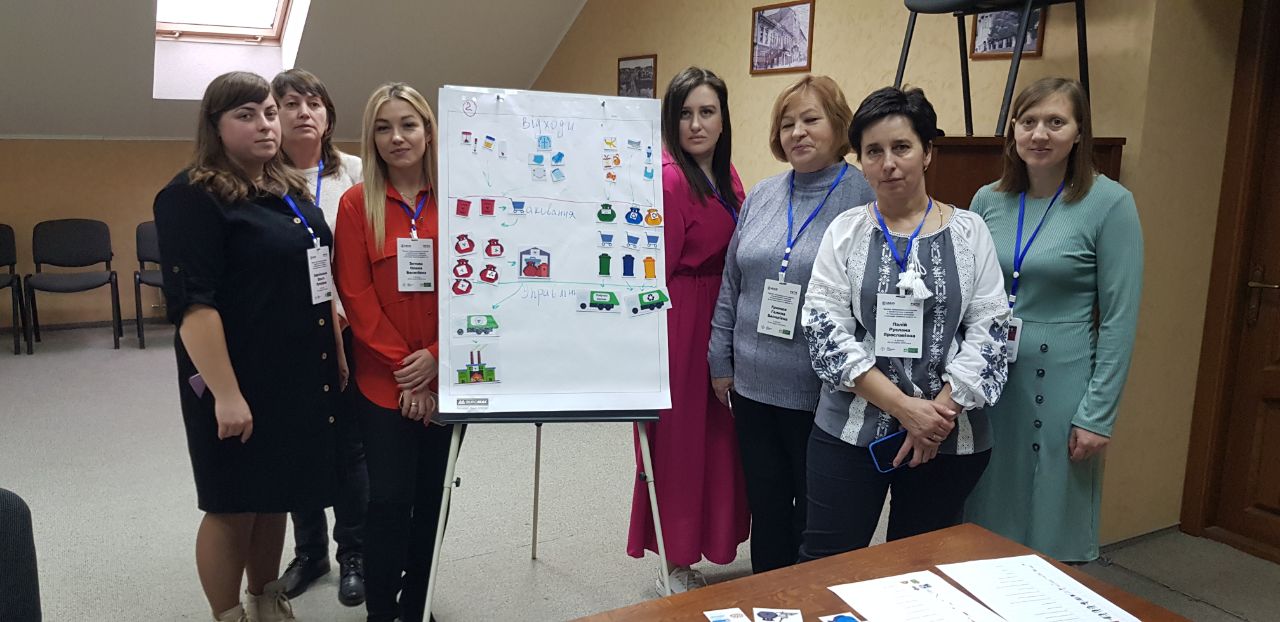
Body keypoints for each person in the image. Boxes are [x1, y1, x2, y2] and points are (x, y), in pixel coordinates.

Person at [153, 70, 344, 622]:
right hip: (234, 375)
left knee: (275, 493)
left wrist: (335, 346)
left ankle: (265, 597)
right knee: (232, 503)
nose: (265, 125)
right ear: (215, 126)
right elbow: (194, 306)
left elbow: (318, 278)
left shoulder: (287, 190)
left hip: (296, 368)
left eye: (268, 113)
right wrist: (227, 395)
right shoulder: (191, 196)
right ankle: (228, 613)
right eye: (246, 115)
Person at [798, 86, 1010, 561]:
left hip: (949, 434)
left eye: (902, 147)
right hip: (850, 431)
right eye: (874, 151)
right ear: (861, 161)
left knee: (920, 569)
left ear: (927, 152)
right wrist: (904, 408)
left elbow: (991, 330)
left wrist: (933, 417)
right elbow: (824, 327)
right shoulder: (847, 230)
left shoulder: (970, 231)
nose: (888, 163)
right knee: (827, 562)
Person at [964, 77, 1143, 563]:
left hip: (1060, 381)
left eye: (1056, 122)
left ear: (1079, 132)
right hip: (990, 376)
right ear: (1013, 130)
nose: (1039, 134)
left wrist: (1097, 415)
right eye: (1028, 121)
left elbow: (1120, 319)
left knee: (1049, 517)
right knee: (983, 511)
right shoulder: (988, 200)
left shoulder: (1110, 204)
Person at [709, 75, 874, 574]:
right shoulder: (762, 194)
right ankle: (767, 598)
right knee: (768, 505)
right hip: (752, 383)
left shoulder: (863, 196)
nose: (797, 132)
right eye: (787, 124)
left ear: (838, 125)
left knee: (816, 511)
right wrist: (720, 359)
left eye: (810, 119)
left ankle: (808, 598)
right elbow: (733, 281)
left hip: (822, 390)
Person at [333, 82, 453, 622]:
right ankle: (381, 612)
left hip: (449, 372)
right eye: (383, 128)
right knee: (388, 502)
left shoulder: (460, 199)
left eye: (408, 124)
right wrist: (410, 371)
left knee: (434, 501)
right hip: (386, 383)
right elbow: (356, 298)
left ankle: (417, 606)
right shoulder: (357, 204)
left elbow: (476, 289)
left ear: (428, 131)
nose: (397, 137)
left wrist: (436, 357)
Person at [627, 66, 750, 593]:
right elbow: (657, 268)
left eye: (707, 112)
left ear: (723, 119)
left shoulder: (728, 175)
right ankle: (675, 560)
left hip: (723, 312)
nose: (696, 124)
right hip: (681, 319)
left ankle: (711, 540)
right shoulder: (669, 179)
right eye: (684, 113)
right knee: (679, 441)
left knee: (718, 438)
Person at [271, 67, 368, 607]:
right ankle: (310, 552)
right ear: (274, 116)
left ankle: (354, 551)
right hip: (291, 333)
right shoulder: (261, 178)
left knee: (351, 444)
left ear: (328, 116)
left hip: (351, 327)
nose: (303, 112)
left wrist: (347, 319)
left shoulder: (353, 172)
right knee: (297, 441)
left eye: (313, 103)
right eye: (289, 103)